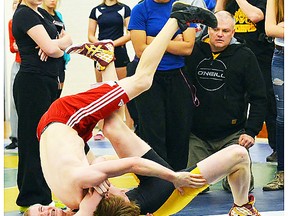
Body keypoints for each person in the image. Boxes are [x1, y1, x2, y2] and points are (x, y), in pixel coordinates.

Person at [25, 6, 260, 216]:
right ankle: (106, 59)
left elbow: (128, 164)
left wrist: (174, 177)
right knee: (113, 126)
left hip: (66, 120)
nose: (48, 210)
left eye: (41, 210)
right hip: (61, 132)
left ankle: (176, 20)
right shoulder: (78, 198)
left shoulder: (81, 195)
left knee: (142, 81)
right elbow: (109, 163)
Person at [185, 11, 267, 193]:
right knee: (192, 188)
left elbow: (259, 97)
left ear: (233, 32)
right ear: (208, 30)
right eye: (215, 29)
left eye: (225, 30)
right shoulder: (192, 52)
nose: (220, 34)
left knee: (239, 187)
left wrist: (251, 132)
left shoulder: (245, 56)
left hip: (232, 135)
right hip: (197, 136)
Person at [12, 0, 72, 212]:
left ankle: (42, 192)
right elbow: (53, 50)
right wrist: (55, 44)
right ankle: (32, 196)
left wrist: (55, 43)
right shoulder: (24, 14)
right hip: (32, 83)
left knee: (46, 139)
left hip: (47, 81)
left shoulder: (44, 15)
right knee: (32, 140)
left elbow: (68, 39)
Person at [127, 0, 200, 171]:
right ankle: (157, 178)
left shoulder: (183, 9)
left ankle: (178, 176)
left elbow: (188, 47)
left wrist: (154, 40)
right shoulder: (140, 10)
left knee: (179, 129)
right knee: (152, 131)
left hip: (177, 75)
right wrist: (173, 40)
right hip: (149, 76)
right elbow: (140, 49)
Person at [215, 0, 277, 164]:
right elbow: (218, 18)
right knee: (236, 99)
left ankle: (276, 147)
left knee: (268, 102)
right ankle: (229, 143)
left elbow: (256, 16)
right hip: (236, 57)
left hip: (261, 57)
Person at [88, 0, 133, 140]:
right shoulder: (96, 10)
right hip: (101, 54)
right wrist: (101, 45)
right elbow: (90, 35)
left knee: (124, 91)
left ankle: (129, 127)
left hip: (119, 53)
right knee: (102, 92)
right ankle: (101, 129)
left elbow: (130, 33)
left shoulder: (124, 9)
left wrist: (112, 44)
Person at [262, 0, 284, 191]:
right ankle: (282, 173)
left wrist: (281, 28)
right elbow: (269, 29)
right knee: (282, 117)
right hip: (281, 56)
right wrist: (277, 28)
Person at [42, 0, 71, 98]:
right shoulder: (41, 14)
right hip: (48, 58)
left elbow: (64, 36)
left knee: (57, 94)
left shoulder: (58, 15)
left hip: (61, 59)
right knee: (49, 94)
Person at [5, 0, 21, 150]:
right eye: (14, 3)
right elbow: (12, 46)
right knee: (14, 101)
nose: (17, 5)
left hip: (31, 65)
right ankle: (14, 136)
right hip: (18, 64)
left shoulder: (33, 19)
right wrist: (17, 46)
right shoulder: (11, 23)